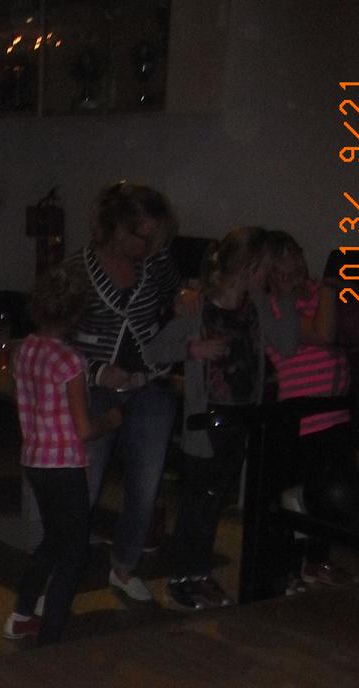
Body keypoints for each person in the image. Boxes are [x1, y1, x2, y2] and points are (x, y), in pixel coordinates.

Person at [144, 226, 298, 609]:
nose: (270, 275)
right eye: (266, 268)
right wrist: (193, 350)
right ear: (248, 268)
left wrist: (285, 298)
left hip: (240, 419)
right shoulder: (200, 308)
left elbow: (287, 344)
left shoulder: (255, 306)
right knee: (197, 501)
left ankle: (198, 574)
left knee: (214, 501)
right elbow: (154, 350)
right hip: (207, 420)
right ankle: (181, 578)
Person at [69, 181, 183, 604]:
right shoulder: (76, 271)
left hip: (149, 385)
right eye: (140, 235)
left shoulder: (156, 264)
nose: (146, 246)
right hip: (94, 391)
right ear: (115, 227)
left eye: (153, 237)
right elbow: (59, 340)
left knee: (145, 486)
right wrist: (98, 371)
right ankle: (62, 570)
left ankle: (124, 567)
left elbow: (177, 303)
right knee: (84, 487)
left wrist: (184, 310)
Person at [2, 266, 122, 642]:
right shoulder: (70, 361)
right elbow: (84, 428)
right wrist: (112, 419)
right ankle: (52, 632)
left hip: (35, 459)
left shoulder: (25, 350)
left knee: (53, 541)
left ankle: (22, 614)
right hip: (64, 464)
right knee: (73, 551)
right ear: (75, 314)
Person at [265, 231, 359, 589]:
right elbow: (323, 334)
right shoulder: (275, 307)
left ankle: (316, 562)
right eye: (282, 259)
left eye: (296, 253)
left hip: (336, 412)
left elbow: (353, 328)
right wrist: (329, 291)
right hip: (303, 416)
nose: (294, 263)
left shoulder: (318, 292)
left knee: (331, 494)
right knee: (298, 497)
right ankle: (286, 569)